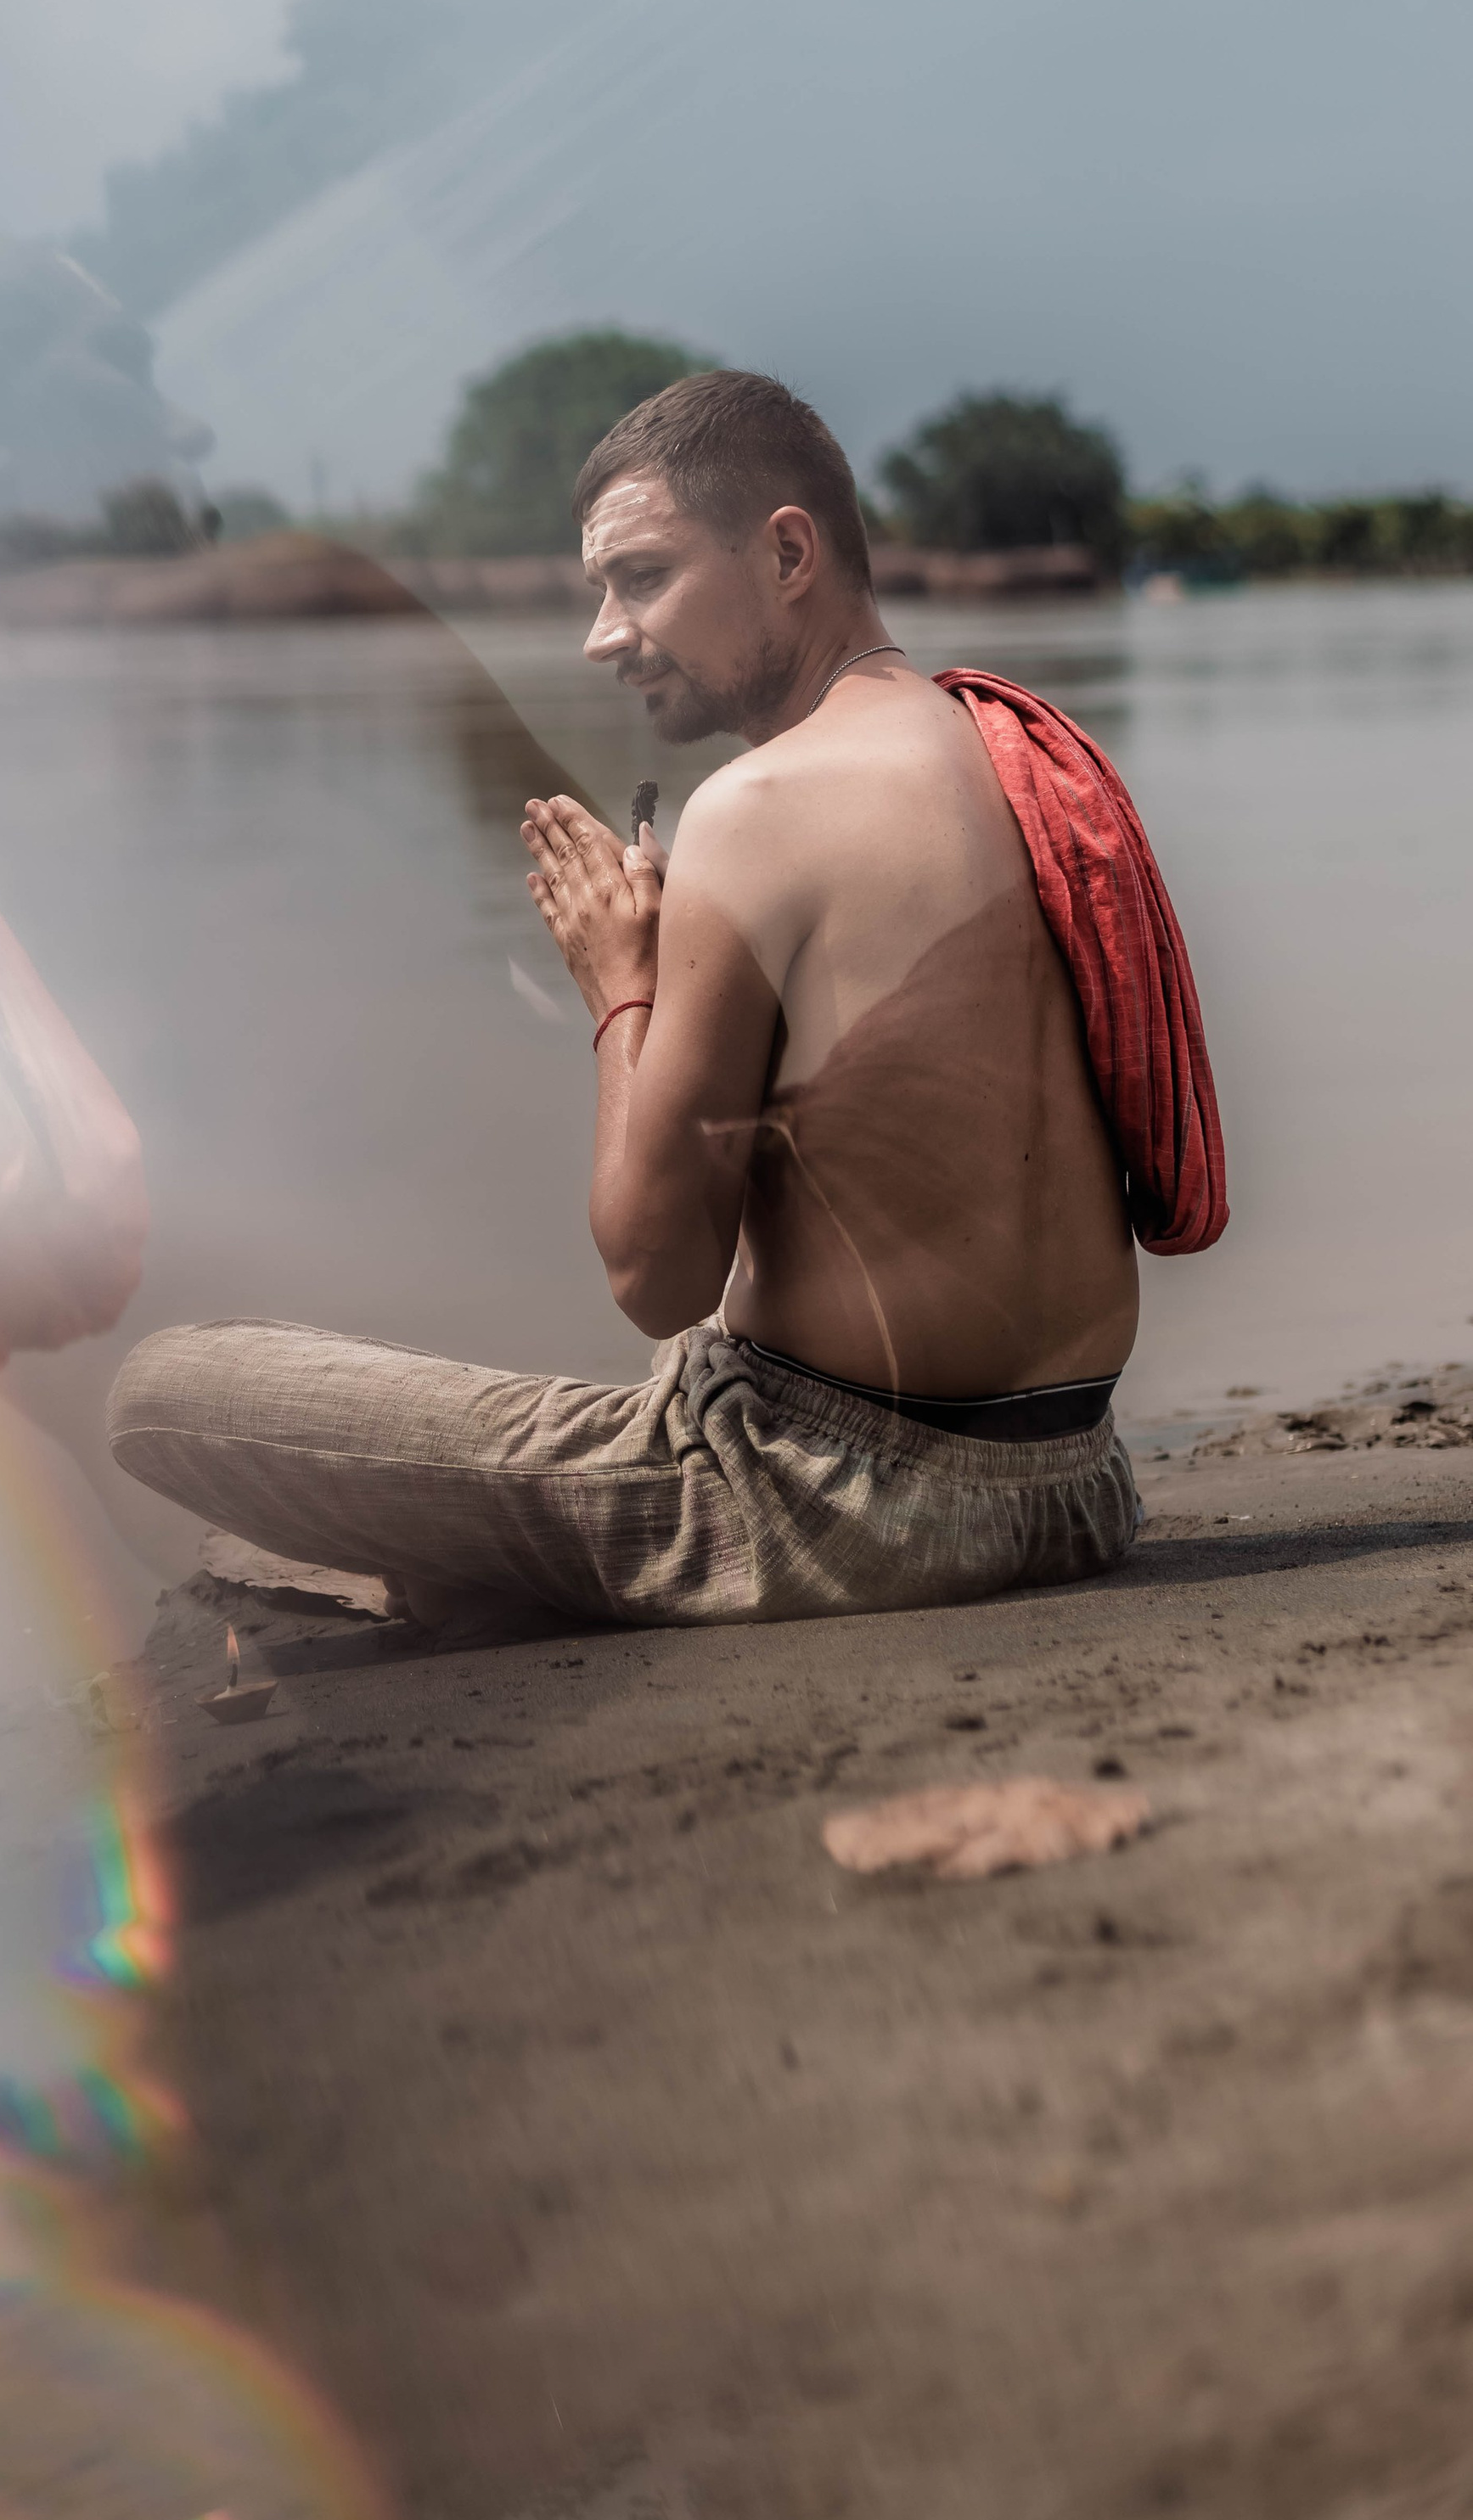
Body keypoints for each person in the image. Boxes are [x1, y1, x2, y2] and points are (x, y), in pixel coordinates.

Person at [106, 370, 1223, 1636]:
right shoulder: (1010, 751)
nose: (603, 634)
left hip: (837, 1507)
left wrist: (620, 989)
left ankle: (499, 1572)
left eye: (641, 577)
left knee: (164, 1392)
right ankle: (489, 1570)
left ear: (788, 553)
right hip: (1076, 1485)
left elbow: (657, 1275)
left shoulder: (756, 810)